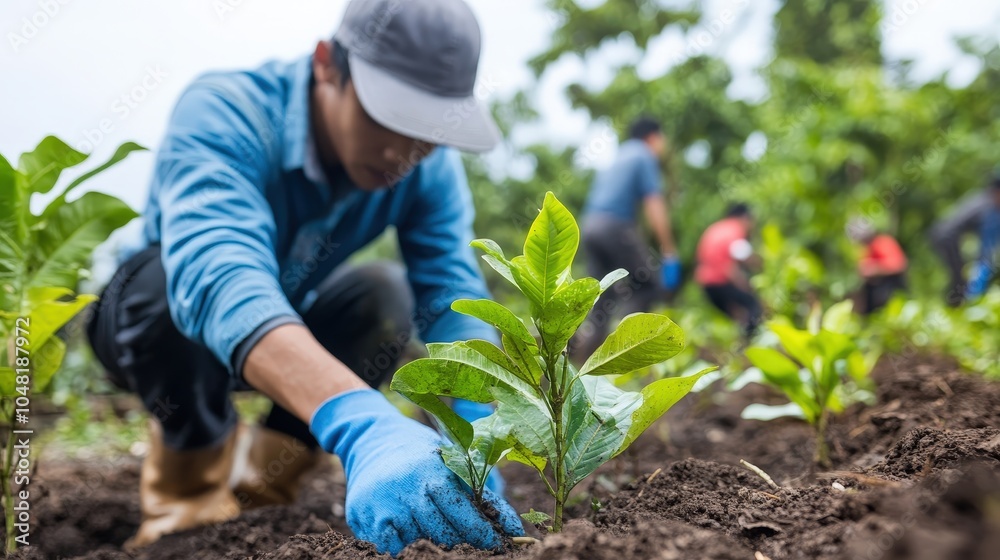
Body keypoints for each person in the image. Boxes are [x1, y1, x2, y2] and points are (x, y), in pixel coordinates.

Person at [83, 0, 522, 555]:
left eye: (428, 131)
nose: (403, 152)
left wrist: (479, 421)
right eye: (388, 118)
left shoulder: (427, 170)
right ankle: (186, 498)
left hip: (289, 334)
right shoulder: (226, 109)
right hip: (162, 336)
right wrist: (360, 421)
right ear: (326, 65)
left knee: (385, 295)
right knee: (169, 281)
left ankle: (261, 492)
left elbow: (452, 298)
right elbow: (219, 276)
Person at [571, 117, 679, 361]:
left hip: (590, 227)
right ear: (653, 137)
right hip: (614, 226)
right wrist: (669, 251)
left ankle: (582, 363)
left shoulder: (618, 156)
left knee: (602, 299)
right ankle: (623, 354)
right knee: (647, 286)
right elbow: (654, 205)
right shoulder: (644, 155)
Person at [930, 173, 1000, 305]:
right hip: (947, 238)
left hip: (940, 234)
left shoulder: (980, 198)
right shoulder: (990, 208)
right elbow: (987, 246)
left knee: (958, 276)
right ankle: (959, 307)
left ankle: (956, 305)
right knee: (960, 278)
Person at [694, 204, 762, 339]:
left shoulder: (716, 228)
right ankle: (751, 341)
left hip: (706, 284)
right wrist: (749, 281)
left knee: (738, 314)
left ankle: (740, 341)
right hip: (720, 281)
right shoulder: (734, 229)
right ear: (744, 218)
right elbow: (736, 259)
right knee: (753, 307)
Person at [846, 219, 908, 314]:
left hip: (891, 288)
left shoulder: (883, 243)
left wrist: (875, 268)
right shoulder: (866, 250)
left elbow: (899, 264)